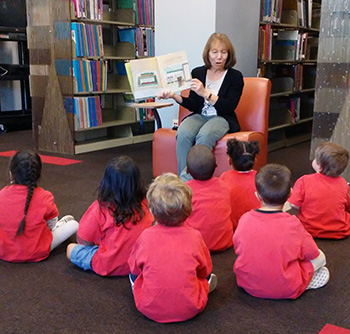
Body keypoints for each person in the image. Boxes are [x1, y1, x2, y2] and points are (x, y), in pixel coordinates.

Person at [128, 173, 217, 323]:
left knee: (133, 276)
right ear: (188, 209)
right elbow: (204, 270)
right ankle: (204, 288)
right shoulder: (195, 236)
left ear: (152, 210)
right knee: (205, 277)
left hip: (148, 307)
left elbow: (134, 268)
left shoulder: (146, 236)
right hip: (191, 307)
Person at [233, 164, 329, 299]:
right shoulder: (293, 224)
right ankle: (302, 283)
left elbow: (238, 247)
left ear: (257, 195)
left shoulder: (245, 219)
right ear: (290, 193)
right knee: (321, 259)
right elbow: (312, 253)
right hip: (285, 287)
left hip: (248, 284)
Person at [158, 32, 244, 180]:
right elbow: (193, 104)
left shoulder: (235, 76)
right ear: (208, 53)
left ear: (229, 55)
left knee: (205, 135)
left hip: (221, 117)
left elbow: (229, 107)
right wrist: (174, 96)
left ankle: (197, 183)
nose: (219, 57)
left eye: (224, 52)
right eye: (215, 52)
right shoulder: (198, 72)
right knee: (183, 132)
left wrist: (206, 93)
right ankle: (184, 181)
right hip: (200, 115)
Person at [66, 156, 154, 276]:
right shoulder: (146, 202)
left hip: (108, 264)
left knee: (70, 249)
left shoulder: (100, 208)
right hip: (138, 263)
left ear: (106, 182)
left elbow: (83, 239)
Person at [0, 150, 79, 262]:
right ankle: (63, 224)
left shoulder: (2, 194)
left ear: (11, 173)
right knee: (74, 224)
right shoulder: (45, 196)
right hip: (36, 251)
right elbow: (51, 225)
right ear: (38, 174)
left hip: (4, 251)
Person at [288, 142, 350, 239]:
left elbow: (294, 205)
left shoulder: (304, 180)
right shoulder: (343, 183)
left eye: (316, 159)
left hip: (308, 229)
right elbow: (346, 206)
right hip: (339, 231)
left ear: (320, 166)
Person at [185, 145, 233, 251]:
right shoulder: (224, 186)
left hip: (196, 245)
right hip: (225, 242)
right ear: (216, 166)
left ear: (187, 170)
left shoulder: (185, 191)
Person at [220, 138, 261, 231]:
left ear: (230, 161)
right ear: (255, 160)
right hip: (258, 227)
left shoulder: (224, 177)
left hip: (233, 229)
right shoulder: (262, 178)